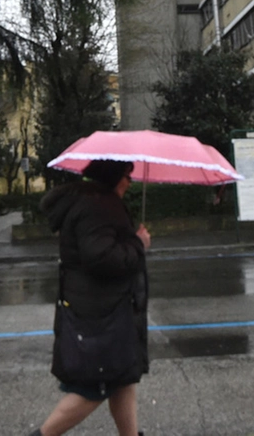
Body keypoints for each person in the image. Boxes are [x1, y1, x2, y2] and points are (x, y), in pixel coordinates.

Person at [29, 159, 151, 436]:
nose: (130, 182)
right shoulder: (100, 206)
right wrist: (137, 244)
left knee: (121, 379)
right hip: (101, 312)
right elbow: (102, 258)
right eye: (126, 176)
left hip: (102, 307)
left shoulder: (92, 202)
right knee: (94, 387)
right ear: (113, 177)